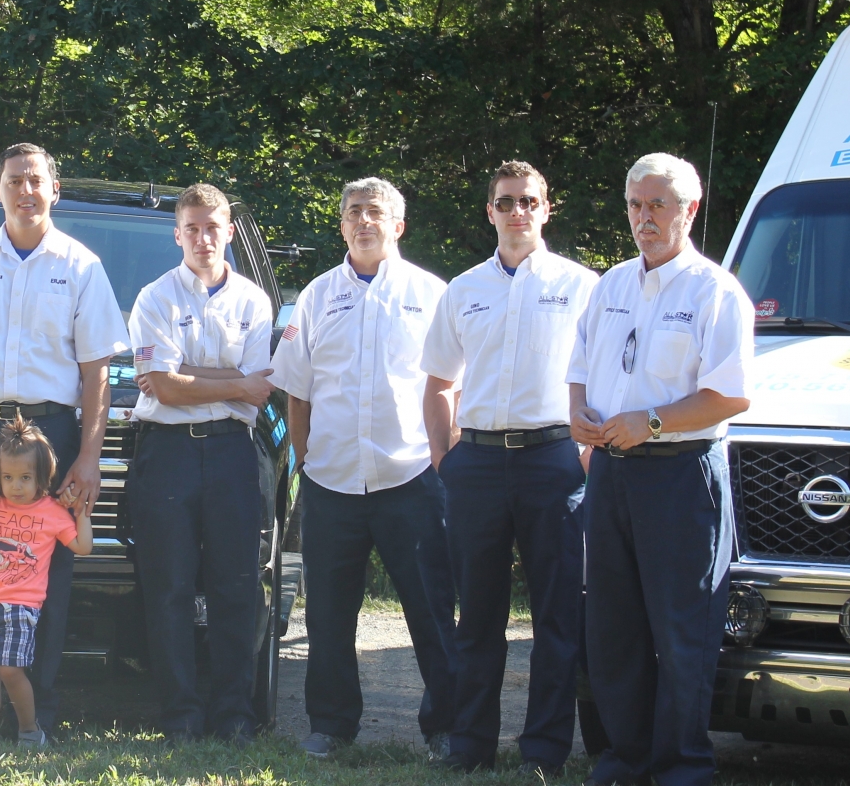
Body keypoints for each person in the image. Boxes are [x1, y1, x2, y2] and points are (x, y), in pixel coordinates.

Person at [0, 142, 130, 735]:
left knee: (46, 580)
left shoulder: (82, 267)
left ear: (54, 190)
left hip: (53, 434)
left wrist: (88, 456)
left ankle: (35, 718)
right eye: (14, 180)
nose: (25, 190)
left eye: (36, 179)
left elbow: (97, 373)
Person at [568, 153, 753, 786]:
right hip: (611, 474)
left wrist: (647, 423)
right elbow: (579, 370)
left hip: (680, 475)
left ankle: (682, 768)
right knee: (613, 626)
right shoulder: (612, 284)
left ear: (690, 210)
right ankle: (626, 759)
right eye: (635, 206)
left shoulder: (716, 291)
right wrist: (578, 420)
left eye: (658, 206)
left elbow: (729, 395)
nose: (644, 219)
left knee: (682, 631)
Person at [271, 176, 457, 760]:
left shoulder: (433, 295)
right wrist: (307, 458)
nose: (363, 221)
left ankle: (447, 727)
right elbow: (295, 391)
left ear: (398, 225)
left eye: (375, 212)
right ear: (343, 223)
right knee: (327, 614)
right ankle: (330, 725)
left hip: (412, 478)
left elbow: (453, 385)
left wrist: (443, 460)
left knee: (430, 611)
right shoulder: (317, 296)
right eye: (353, 212)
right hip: (331, 481)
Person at [421, 162, 598, 778]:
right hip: (477, 463)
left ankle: (544, 750)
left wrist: (587, 453)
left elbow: (607, 378)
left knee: (556, 616)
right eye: (505, 202)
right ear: (489, 212)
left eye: (528, 201)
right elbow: (440, 381)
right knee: (479, 615)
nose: (517, 211)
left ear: (547, 210)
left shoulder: (583, 287)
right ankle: (469, 744)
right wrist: (445, 456)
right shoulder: (464, 289)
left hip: (554, 460)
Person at [127, 182, 278, 743]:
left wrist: (193, 375)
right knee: (168, 587)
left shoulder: (253, 301)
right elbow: (162, 388)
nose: (201, 237)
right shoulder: (155, 297)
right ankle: (181, 716)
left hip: (233, 454)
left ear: (229, 231)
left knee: (236, 586)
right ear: (177, 234)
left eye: (212, 227)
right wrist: (228, 381)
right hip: (167, 453)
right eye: (191, 228)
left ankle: (234, 714)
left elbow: (259, 389)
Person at [0, 417, 95, 751]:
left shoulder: (53, 511)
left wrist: (81, 512)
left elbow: (82, 546)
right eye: (9, 477)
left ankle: (30, 731)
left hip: (22, 606)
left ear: (42, 476)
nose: (16, 486)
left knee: (10, 669)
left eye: (25, 478)